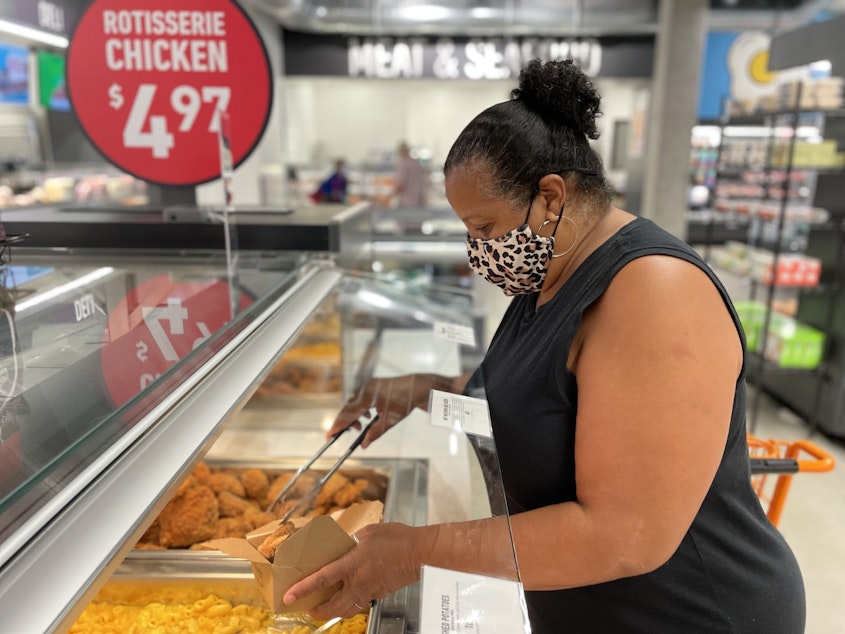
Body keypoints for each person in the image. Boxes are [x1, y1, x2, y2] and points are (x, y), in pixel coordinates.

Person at [283, 60, 805, 633]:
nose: (477, 250)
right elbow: (543, 397)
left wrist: (416, 550)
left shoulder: (654, 292)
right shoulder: (548, 277)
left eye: (484, 228)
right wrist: (425, 392)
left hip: (694, 613)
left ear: (551, 197)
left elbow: (625, 535)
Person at [394, 141, 427, 207]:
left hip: (407, 201)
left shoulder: (403, 164)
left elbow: (401, 184)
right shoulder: (416, 163)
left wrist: (392, 194)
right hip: (419, 200)